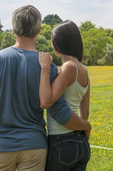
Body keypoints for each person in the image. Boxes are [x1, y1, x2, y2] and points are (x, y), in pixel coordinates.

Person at [0, 5, 91, 171]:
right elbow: (58, 110)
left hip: (2, 146)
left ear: (14, 30)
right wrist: (86, 125)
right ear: (39, 30)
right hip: (35, 147)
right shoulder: (47, 65)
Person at [39, 20, 91, 171]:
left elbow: (47, 101)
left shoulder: (68, 67)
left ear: (58, 43)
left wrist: (44, 67)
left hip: (61, 142)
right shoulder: (84, 70)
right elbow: (85, 113)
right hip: (81, 143)